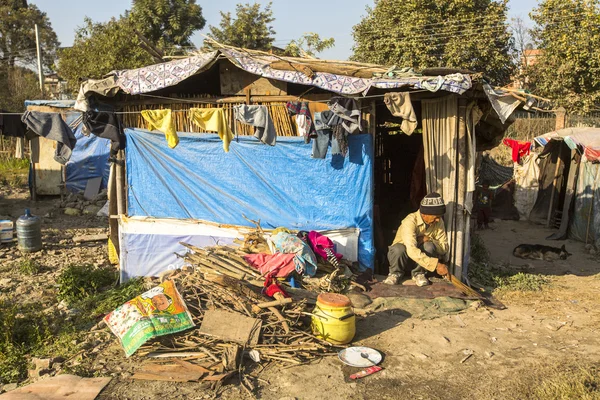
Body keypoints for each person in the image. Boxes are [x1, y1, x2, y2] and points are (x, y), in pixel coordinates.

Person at [384, 192, 450, 286]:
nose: (438, 220)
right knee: (398, 248)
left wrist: (429, 240)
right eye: (436, 217)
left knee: (429, 246)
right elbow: (411, 250)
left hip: (421, 264)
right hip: (403, 259)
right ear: (424, 214)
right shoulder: (409, 221)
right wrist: (435, 265)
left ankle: (419, 274)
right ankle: (395, 273)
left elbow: (444, 249)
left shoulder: (438, 222)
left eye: (439, 217)